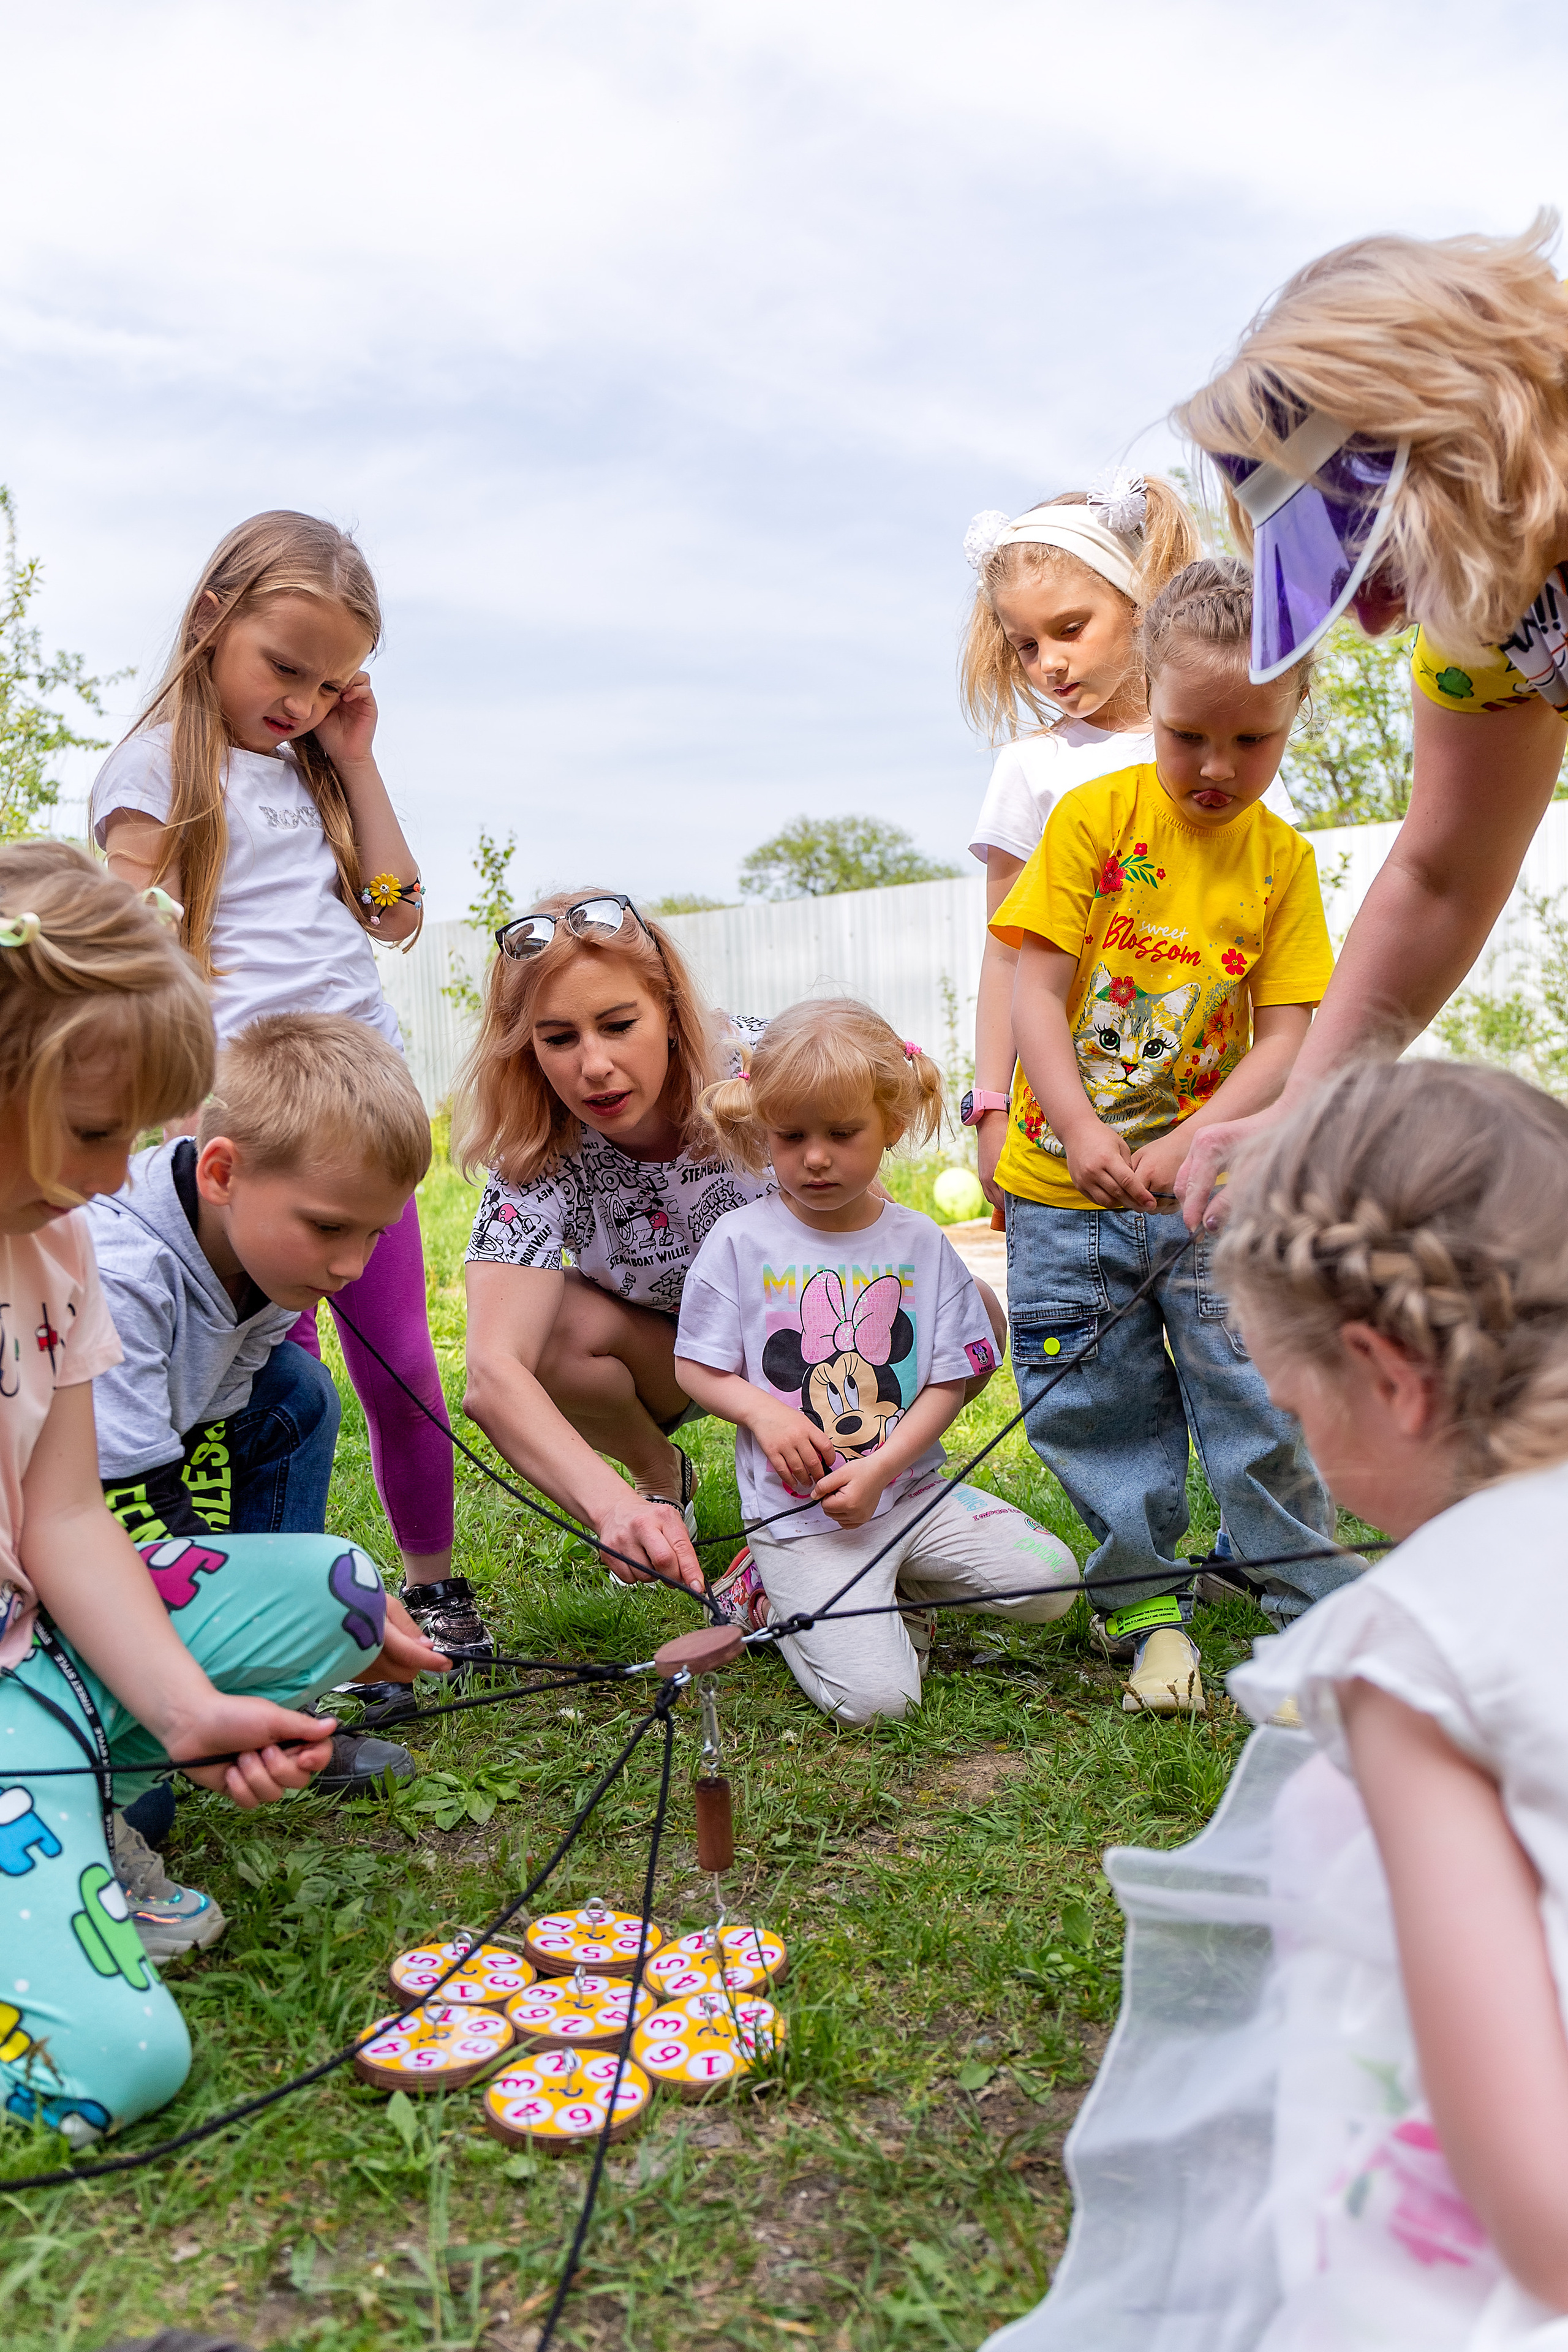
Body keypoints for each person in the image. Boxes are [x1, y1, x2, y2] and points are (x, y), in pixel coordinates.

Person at [997, 1060, 1568, 2351]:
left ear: (1388, 1374)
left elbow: (1538, 2207)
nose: (1304, 1449)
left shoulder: (1410, 1651)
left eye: (1294, 1407)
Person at [0, 844, 447, 2148]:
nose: (103, 1177)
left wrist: (189, 1712)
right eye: (92, 1133)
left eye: (131, 1139)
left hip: (29, 1659)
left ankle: (82, 1804)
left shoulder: (59, 1247)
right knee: (115, 2069)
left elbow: (70, 1517)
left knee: (337, 1591)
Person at [88, 512, 479, 1658]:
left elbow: (398, 913)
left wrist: (356, 761)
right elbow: (126, 937)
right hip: (246, 1114)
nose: (304, 700)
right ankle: (268, 1611)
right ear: (213, 617)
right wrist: (171, 1095)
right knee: (273, 1373)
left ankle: (436, 1585)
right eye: (286, 668)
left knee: (398, 1354)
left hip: (358, 1092)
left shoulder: (313, 768)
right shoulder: (162, 764)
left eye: (333, 682)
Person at [991, 559, 1343, 1717]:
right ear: (1149, 696)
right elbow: (1035, 994)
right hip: (1063, 1189)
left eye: (1254, 741)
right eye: (1190, 735)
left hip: (1209, 1194)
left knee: (1255, 1389)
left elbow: (1286, 1036)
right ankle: (1148, 1616)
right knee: (1096, 1405)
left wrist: (1199, 1137)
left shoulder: (1283, 865)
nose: (1216, 769)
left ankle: (1307, 1614)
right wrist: (1081, 1130)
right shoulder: (1093, 820)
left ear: (1294, 720)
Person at [1169, 217, 1568, 1228]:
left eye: (1374, 560)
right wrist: (1303, 1112)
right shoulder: (1486, 628)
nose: (1375, 620)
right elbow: (1443, 873)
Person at [89, 1012, 440, 1949]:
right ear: (222, 1171)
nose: (351, 1266)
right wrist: (313, 1606)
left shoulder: (250, 1255)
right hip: (67, 1520)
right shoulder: (124, 1272)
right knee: (153, 1809)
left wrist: (286, 1621)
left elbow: (212, 1432)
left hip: (136, 1467)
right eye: (329, 1228)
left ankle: (274, 1706)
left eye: (374, 1233)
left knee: (297, 1392)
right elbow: (125, 1510)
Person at [673, 997, 1079, 1724]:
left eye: (842, 1132)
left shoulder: (919, 1241)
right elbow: (697, 1368)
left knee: (1051, 1582)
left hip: (911, 1495)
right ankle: (764, 1590)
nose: (816, 1156)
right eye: (790, 1136)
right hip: (802, 1520)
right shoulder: (738, 1243)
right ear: (762, 1129)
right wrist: (765, 1414)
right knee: (880, 1706)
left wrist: (885, 1468)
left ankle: (900, 1586)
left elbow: (953, 1379)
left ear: (890, 1125)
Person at [457, 891, 776, 1596]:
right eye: (560, 1038)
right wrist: (613, 1507)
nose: (593, 1065)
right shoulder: (534, 1152)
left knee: (967, 1310)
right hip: (671, 1356)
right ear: (528, 1048)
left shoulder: (766, 1067)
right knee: (552, 1330)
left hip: (810, 1326)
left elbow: (877, 1241)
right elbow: (492, 1372)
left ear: (668, 1013)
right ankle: (661, 1479)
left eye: (617, 1024)